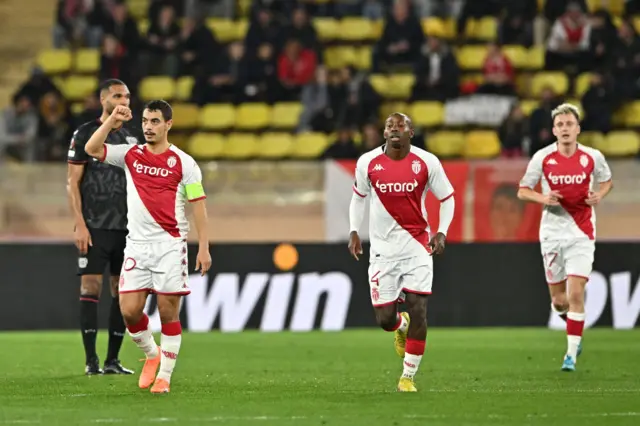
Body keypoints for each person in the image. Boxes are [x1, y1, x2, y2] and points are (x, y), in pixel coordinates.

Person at [83, 100, 212, 393]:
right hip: (137, 246)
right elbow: (91, 149)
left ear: (169, 124)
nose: (148, 127)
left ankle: (164, 376)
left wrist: (203, 247)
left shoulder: (184, 162)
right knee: (129, 311)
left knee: (168, 312)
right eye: (144, 121)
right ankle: (152, 356)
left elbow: (199, 207)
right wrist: (111, 121)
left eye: (155, 121)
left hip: (170, 245)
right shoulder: (131, 155)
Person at [347, 112, 455, 392]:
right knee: (385, 320)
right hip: (383, 251)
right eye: (389, 126)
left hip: (418, 246)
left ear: (411, 132)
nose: (394, 129)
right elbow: (358, 199)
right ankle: (400, 325)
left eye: (400, 126)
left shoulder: (427, 162)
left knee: (419, 308)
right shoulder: (367, 163)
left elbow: (447, 198)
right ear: (384, 133)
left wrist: (441, 231)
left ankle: (407, 376)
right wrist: (354, 230)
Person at [517, 103, 613, 372]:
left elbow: (607, 181)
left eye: (569, 124)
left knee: (575, 293)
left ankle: (570, 353)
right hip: (552, 233)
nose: (565, 128)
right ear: (554, 131)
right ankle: (573, 329)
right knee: (559, 301)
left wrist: (599, 195)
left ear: (578, 128)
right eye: (560, 125)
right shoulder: (542, 158)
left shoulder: (592, 157)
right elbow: (523, 190)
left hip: (582, 233)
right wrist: (544, 198)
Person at [66, 79, 137, 376]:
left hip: (127, 229)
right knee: (90, 287)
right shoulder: (84, 134)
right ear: (103, 99)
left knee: (121, 293)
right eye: (118, 95)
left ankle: (112, 360)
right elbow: (73, 183)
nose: (124, 100)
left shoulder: (133, 139)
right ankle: (90, 360)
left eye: (128, 96)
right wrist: (79, 224)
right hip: (94, 227)